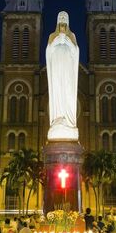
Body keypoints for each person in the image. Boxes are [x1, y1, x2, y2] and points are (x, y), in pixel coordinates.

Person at [46, 11, 79, 141]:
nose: (63, 19)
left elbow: (76, 52)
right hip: (56, 72)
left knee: (67, 92)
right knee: (58, 92)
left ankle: (68, 121)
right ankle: (58, 118)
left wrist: (68, 42)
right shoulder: (52, 36)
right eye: (61, 17)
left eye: (65, 17)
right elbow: (48, 52)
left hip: (68, 72)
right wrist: (55, 42)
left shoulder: (72, 36)